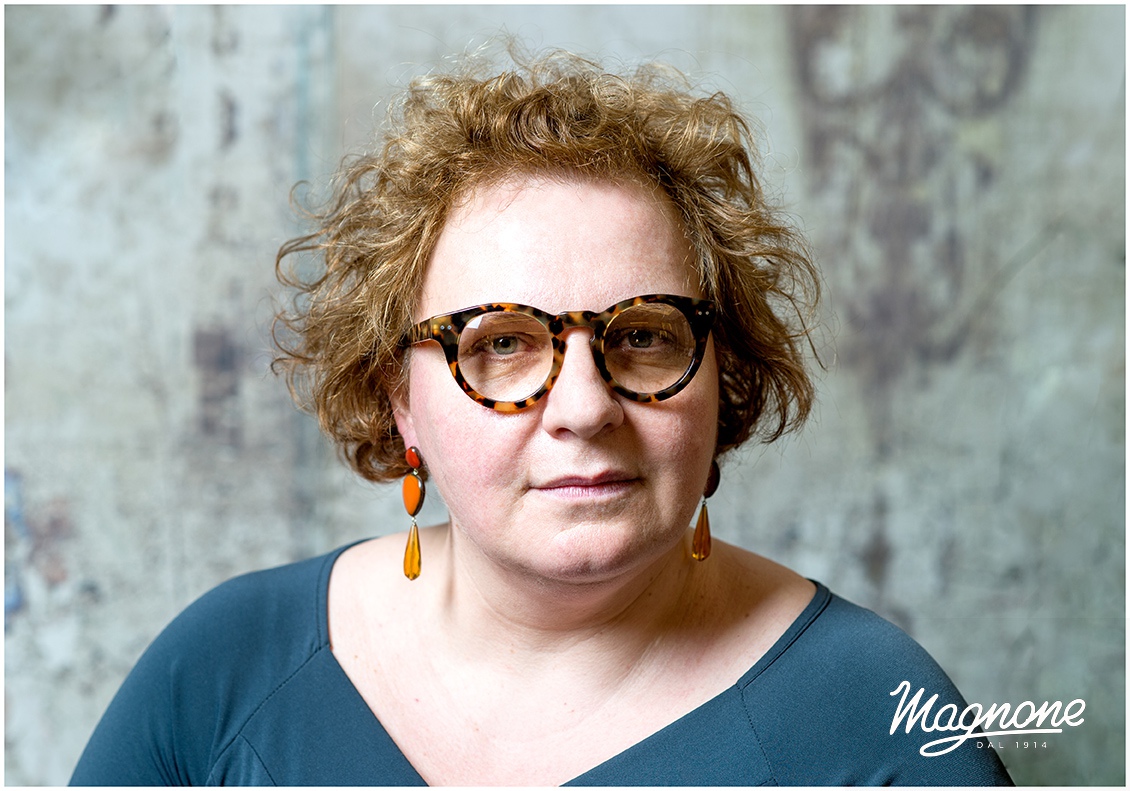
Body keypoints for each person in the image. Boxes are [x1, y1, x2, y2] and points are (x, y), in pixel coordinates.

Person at [71, 50, 1012, 786]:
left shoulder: (879, 722)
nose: (586, 407)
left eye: (643, 335)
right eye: (504, 344)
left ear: (722, 372)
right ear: (400, 399)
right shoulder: (226, 670)